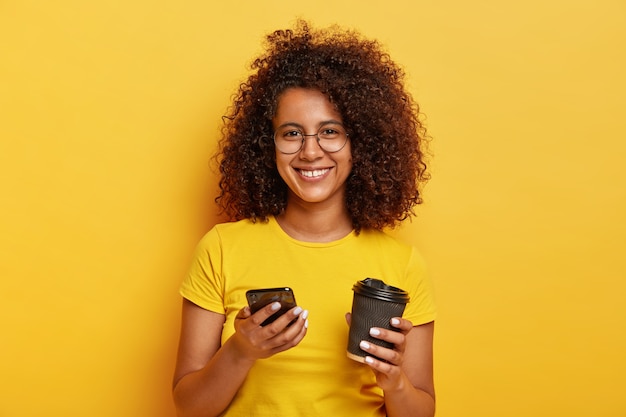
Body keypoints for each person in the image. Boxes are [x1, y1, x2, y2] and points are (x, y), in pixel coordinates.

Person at [172, 20, 436, 417]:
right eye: (292, 133)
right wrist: (241, 351)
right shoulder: (222, 248)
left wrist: (393, 380)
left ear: (359, 142)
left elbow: (423, 410)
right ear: (268, 145)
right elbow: (189, 407)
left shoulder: (402, 264)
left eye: (330, 131)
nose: (311, 152)